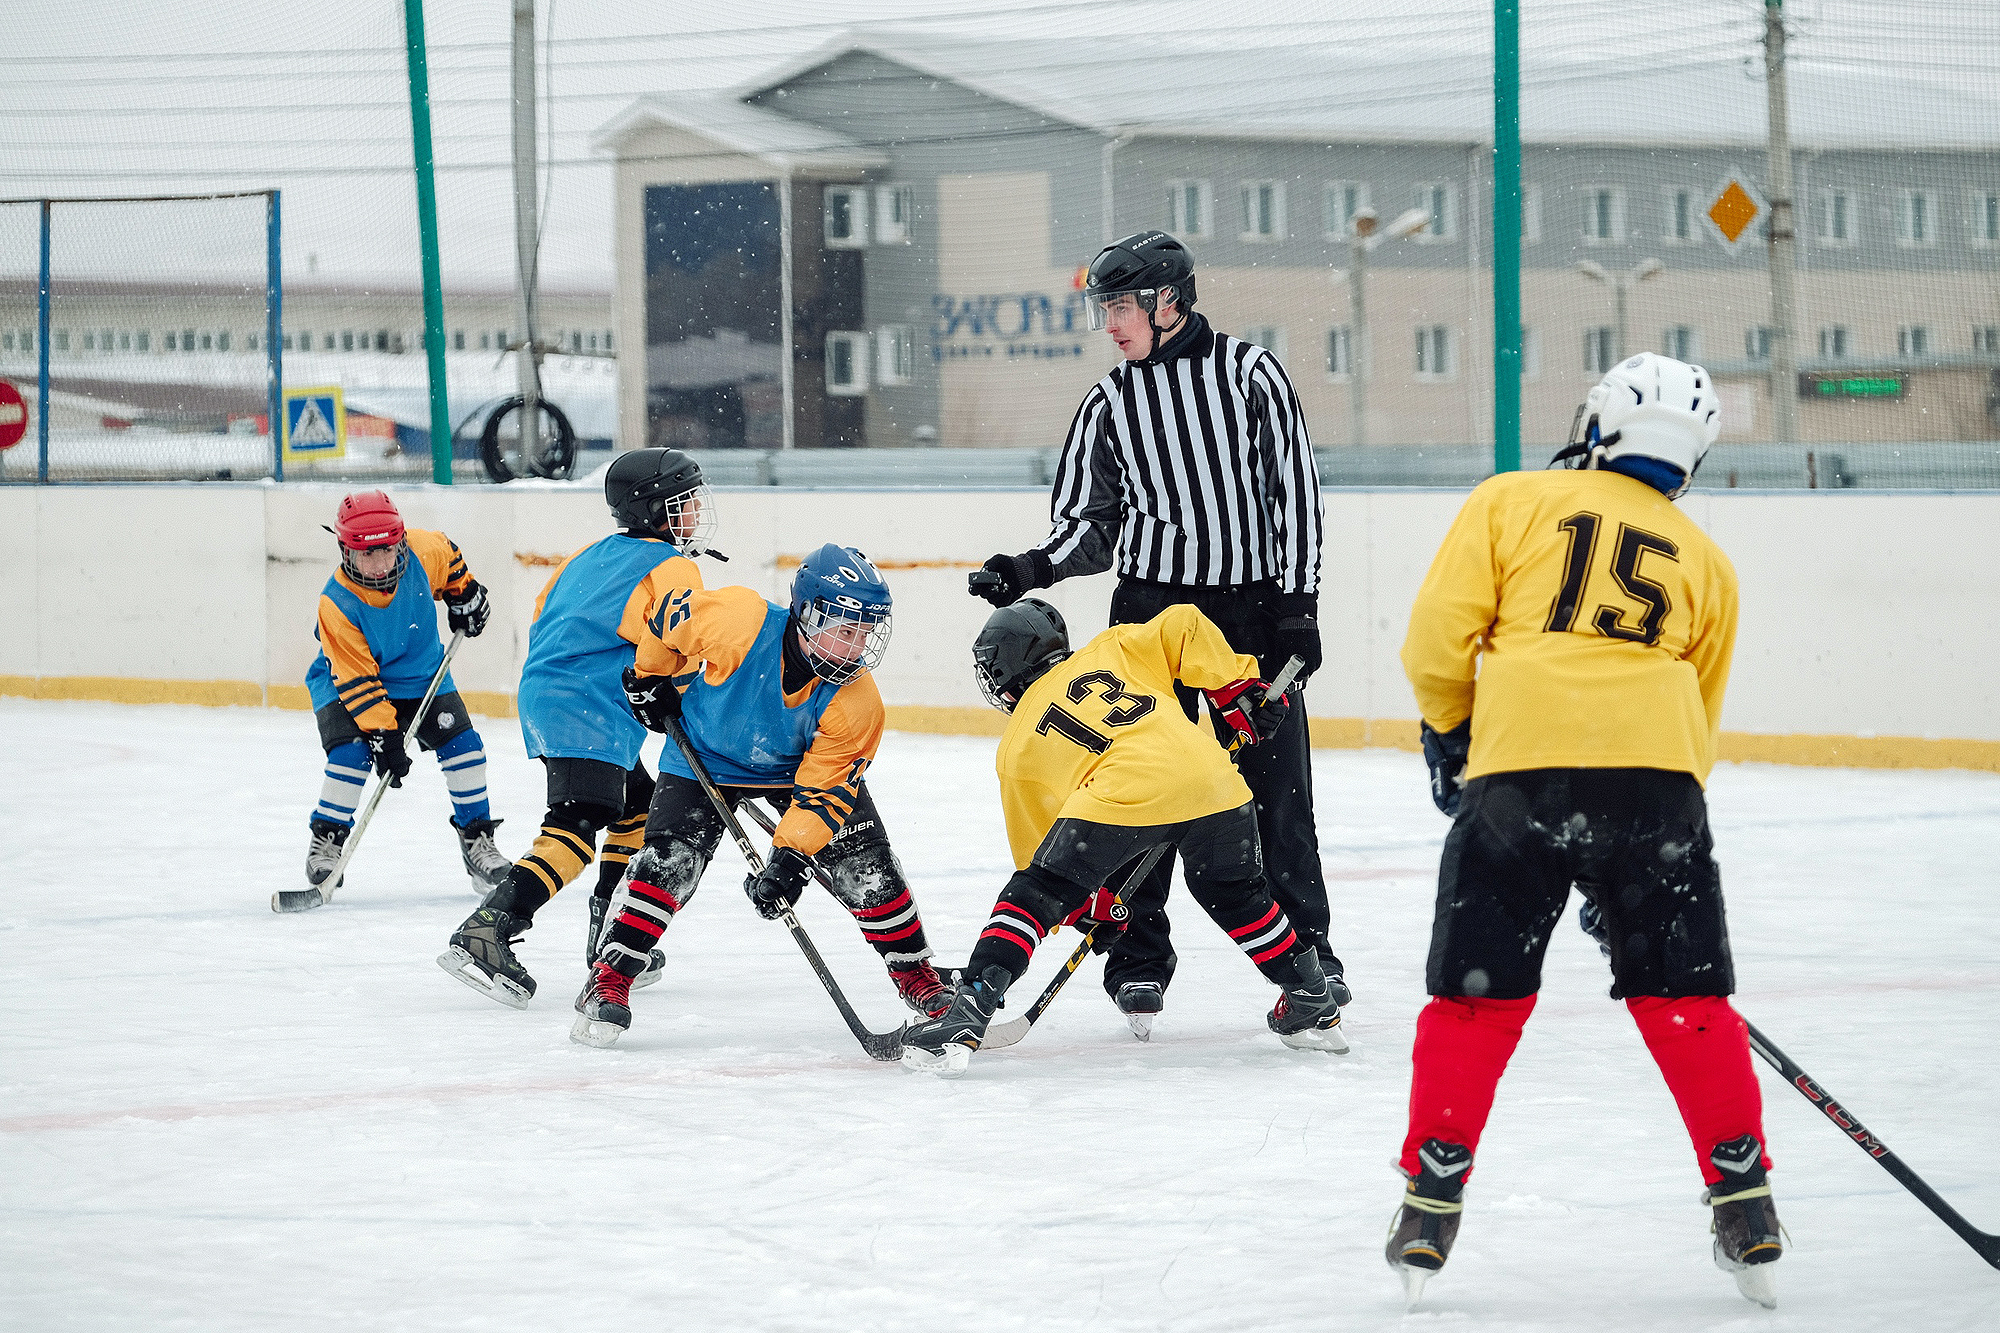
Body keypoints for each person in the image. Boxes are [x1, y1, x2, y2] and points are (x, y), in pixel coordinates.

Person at [1387, 353, 1779, 1310]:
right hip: (1658, 793)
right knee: (1685, 997)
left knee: (1475, 999)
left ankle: (1434, 1192)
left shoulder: (1515, 500)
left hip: (1521, 779)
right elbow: (1702, 716)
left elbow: (1438, 636)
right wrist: (1630, 865)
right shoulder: (1707, 562)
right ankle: (1745, 1196)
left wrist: (1452, 734)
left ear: (1600, 424)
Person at [969, 229, 1342, 1037]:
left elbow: (1296, 496)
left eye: (1120, 305)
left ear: (1170, 301)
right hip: (1149, 614)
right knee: (1135, 784)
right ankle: (1137, 957)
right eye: (1104, 306)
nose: (1109, 323)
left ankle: (1313, 953)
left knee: (1278, 796)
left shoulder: (1251, 375)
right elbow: (1090, 524)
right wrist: (1029, 569)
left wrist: (1298, 609)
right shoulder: (1110, 400)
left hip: (1249, 612)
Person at [900, 598, 1345, 1078]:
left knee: (1035, 893)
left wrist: (1089, 909)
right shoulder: (1112, 648)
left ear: (1007, 670)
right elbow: (1184, 622)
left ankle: (974, 1004)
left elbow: (1043, 872)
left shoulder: (1016, 747)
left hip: (1124, 795)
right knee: (1234, 893)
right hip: (1214, 780)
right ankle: (1309, 994)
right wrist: (1232, 687)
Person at [569, 544, 953, 1047]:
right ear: (808, 615)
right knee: (669, 863)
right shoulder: (738, 620)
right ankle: (611, 977)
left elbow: (826, 791)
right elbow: (663, 618)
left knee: (868, 868)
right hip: (704, 755)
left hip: (794, 771)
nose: (856, 646)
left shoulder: (859, 700)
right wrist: (649, 677)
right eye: (844, 628)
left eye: (866, 631)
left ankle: (916, 975)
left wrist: (790, 859)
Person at [438, 448, 715, 1008]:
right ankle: (486, 931)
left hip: (553, 695)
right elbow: (678, 644)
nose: (694, 514)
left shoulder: (588, 555)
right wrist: (687, 697)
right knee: (576, 823)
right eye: (686, 502)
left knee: (636, 804)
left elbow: (549, 615)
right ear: (659, 510)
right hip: (588, 705)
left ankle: (609, 939)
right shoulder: (674, 568)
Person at [299, 490, 504, 910]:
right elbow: (356, 679)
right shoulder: (335, 603)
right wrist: (383, 737)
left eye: (387, 552)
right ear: (345, 550)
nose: (379, 565)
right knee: (350, 757)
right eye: (366, 555)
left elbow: (450, 556)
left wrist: (463, 593)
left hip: (420, 674)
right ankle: (327, 841)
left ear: (401, 542)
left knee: (466, 750)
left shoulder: (424, 550)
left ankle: (477, 840)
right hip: (347, 683)